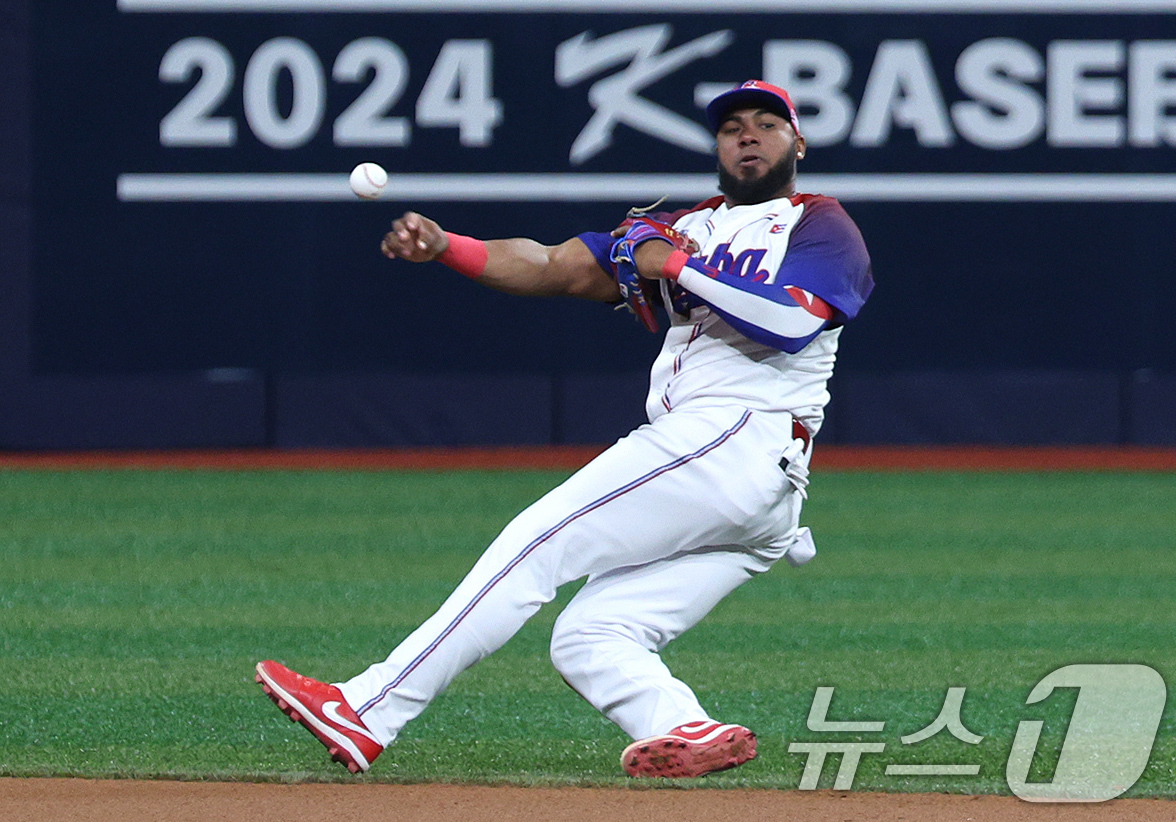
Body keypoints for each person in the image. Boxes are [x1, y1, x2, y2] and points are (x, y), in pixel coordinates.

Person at [256, 79, 874, 779]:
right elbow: (553, 265)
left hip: (735, 436)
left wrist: (674, 267)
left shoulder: (819, 224)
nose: (749, 135)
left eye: (768, 123)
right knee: (592, 633)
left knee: (534, 544)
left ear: (799, 142)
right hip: (753, 484)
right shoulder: (683, 225)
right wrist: (445, 246)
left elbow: (792, 323)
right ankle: (681, 725)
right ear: (717, 145)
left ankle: (368, 709)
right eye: (733, 126)